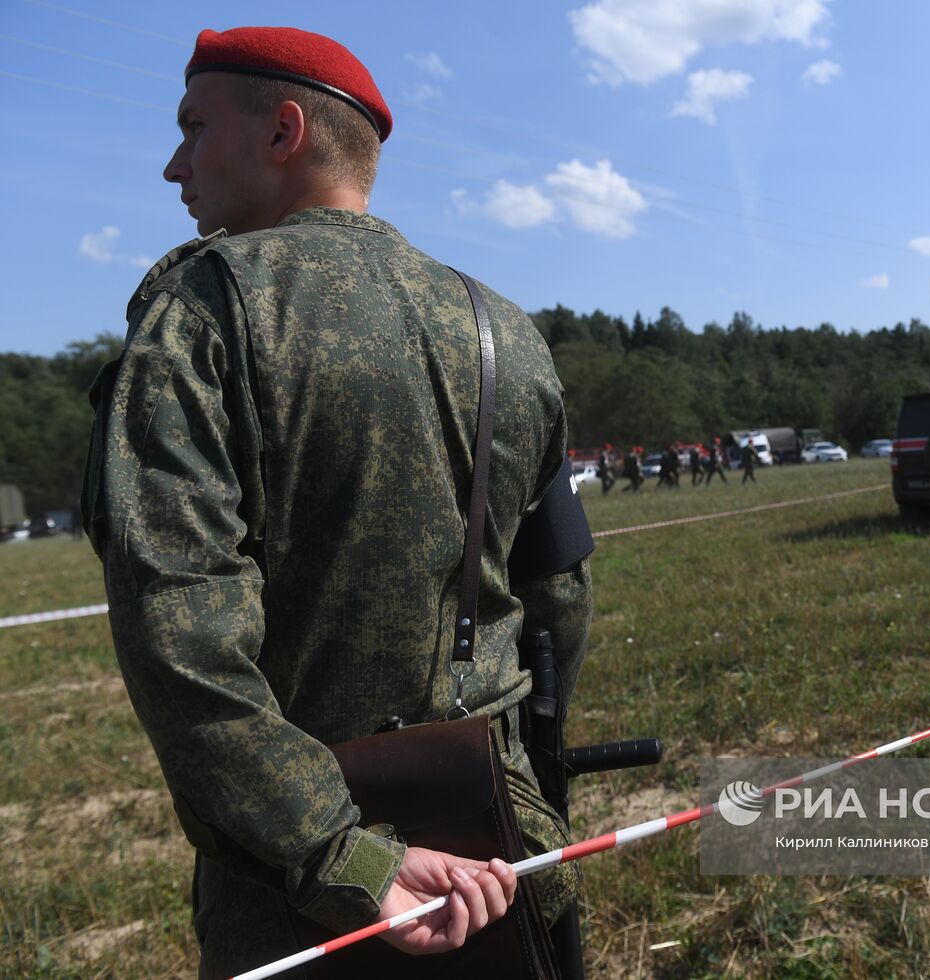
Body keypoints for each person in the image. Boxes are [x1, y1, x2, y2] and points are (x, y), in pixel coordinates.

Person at [81, 27, 589, 977]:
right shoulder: (505, 328)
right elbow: (560, 598)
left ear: (283, 132)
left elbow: (177, 635)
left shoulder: (205, 309)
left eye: (194, 127)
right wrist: (523, 772)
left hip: (310, 898)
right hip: (502, 849)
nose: (172, 165)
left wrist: (341, 853)